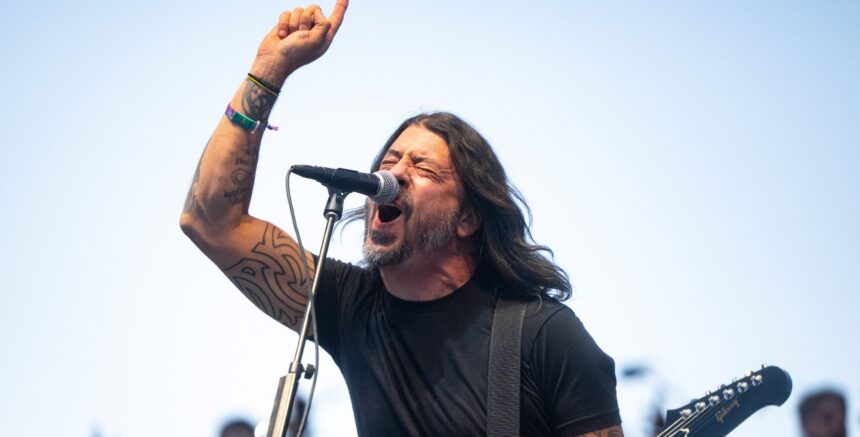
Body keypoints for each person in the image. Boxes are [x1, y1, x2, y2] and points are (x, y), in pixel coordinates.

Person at [180, 1, 623, 435]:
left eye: (422, 167)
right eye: (390, 161)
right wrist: (268, 71)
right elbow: (211, 221)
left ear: (467, 218)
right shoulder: (349, 305)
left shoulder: (546, 336)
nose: (392, 174)